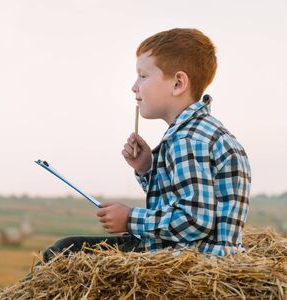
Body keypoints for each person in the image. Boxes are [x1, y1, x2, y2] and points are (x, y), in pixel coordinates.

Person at [42, 28, 251, 262]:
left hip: (189, 259)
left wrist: (130, 219)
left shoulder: (187, 141)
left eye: (143, 76)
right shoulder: (200, 132)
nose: (134, 87)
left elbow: (195, 220)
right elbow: (180, 199)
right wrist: (147, 168)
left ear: (178, 83)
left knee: (64, 252)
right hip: (191, 253)